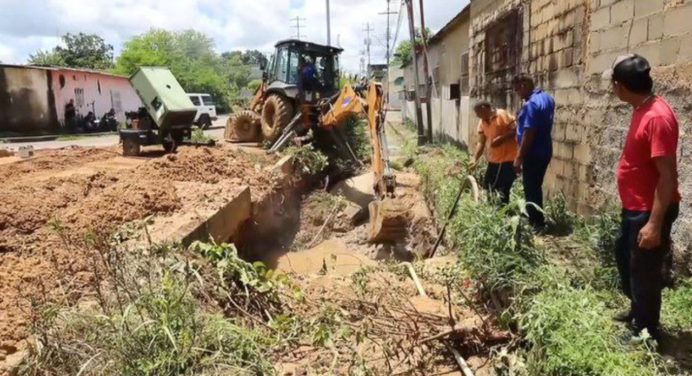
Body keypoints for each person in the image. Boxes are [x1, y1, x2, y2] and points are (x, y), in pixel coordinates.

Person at [603, 54, 681, 341]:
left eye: (613, 83)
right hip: (635, 206)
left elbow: (667, 176)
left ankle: (646, 330)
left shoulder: (658, 117)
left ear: (621, 86)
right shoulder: (641, 107)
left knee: (645, 273)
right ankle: (637, 310)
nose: (612, 88)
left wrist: (654, 224)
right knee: (626, 258)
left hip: (650, 210)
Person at [512, 74, 555, 229]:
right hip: (544, 150)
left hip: (533, 151)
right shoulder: (547, 98)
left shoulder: (531, 104)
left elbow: (529, 133)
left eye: (517, 90)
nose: (518, 94)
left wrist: (519, 157)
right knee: (535, 186)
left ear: (523, 85)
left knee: (531, 188)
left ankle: (536, 223)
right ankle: (537, 219)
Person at [470, 101, 518, 204]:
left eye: (478, 113)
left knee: (502, 189)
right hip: (494, 159)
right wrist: (475, 158)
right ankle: (492, 211)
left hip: (506, 160)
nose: (477, 116)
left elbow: (516, 130)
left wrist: (501, 139)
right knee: (488, 186)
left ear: (484, 108)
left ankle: (502, 213)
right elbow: (481, 142)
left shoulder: (501, 115)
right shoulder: (482, 121)